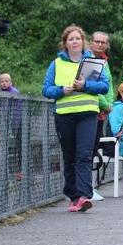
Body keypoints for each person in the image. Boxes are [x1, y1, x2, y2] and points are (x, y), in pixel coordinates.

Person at [41, 24, 110, 213]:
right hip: (65, 115)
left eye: (78, 38)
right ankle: (73, 196)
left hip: (88, 114)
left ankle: (84, 195)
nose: (75, 41)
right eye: (71, 39)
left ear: (83, 42)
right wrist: (62, 90)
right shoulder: (56, 63)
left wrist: (85, 85)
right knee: (69, 156)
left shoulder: (93, 62)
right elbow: (46, 89)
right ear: (65, 43)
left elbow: (104, 86)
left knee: (84, 155)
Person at [88, 31, 116, 201]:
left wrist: (109, 102)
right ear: (91, 43)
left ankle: (89, 188)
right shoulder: (90, 60)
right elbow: (91, 86)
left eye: (103, 42)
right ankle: (86, 189)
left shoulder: (104, 61)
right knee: (88, 151)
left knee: (93, 149)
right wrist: (105, 104)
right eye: (97, 41)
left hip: (101, 113)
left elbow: (109, 85)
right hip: (92, 109)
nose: (99, 44)